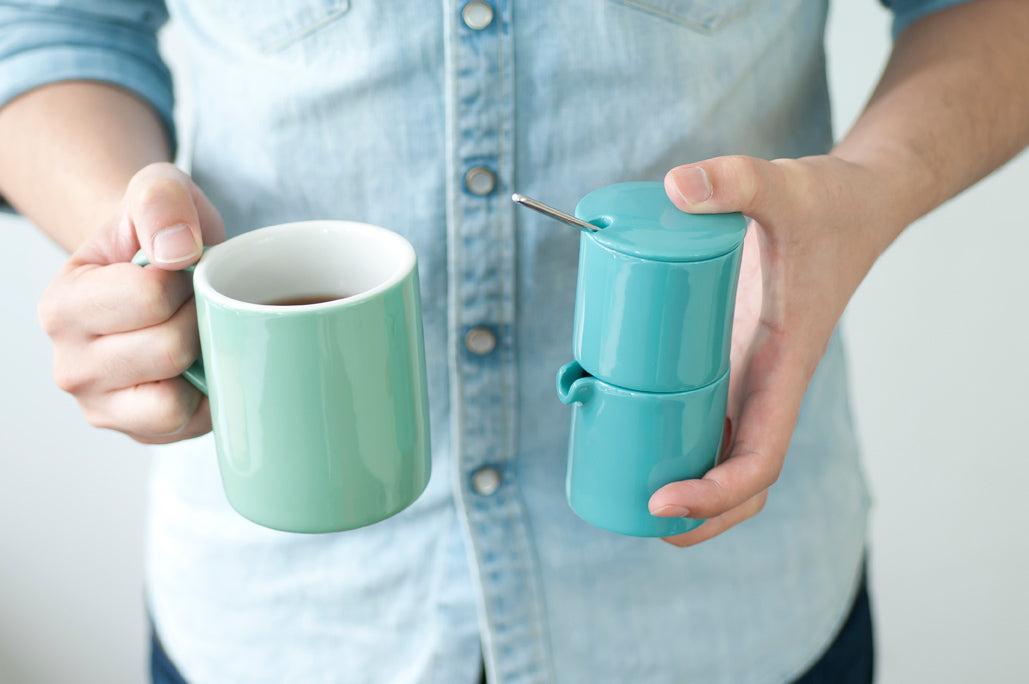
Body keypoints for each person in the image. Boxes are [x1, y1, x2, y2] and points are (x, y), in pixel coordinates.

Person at [1, 0, 1026, 681]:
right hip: (286, 623)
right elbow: (46, 22)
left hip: (725, 615)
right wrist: (134, 255)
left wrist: (867, 191)